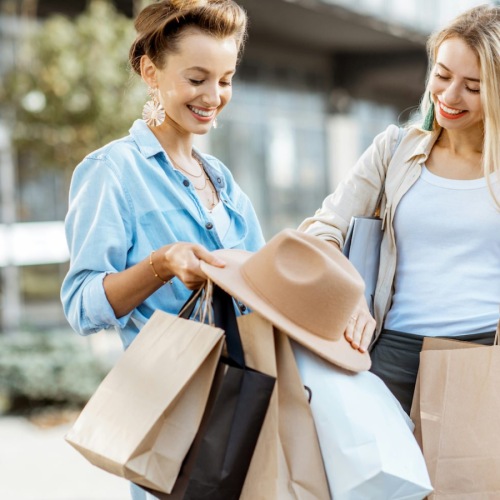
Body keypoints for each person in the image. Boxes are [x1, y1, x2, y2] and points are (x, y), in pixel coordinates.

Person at [60, 1, 263, 497]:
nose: (213, 96)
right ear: (152, 72)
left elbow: (262, 280)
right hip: (174, 412)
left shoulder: (221, 179)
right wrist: (163, 264)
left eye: (226, 79)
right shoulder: (112, 172)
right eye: (197, 79)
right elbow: (81, 306)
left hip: (247, 400)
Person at [299, 4, 500, 414]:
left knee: (470, 481)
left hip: (484, 356)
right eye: (441, 75)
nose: (448, 95)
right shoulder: (393, 150)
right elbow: (321, 230)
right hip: (391, 354)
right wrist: (349, 295)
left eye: (472, 86)